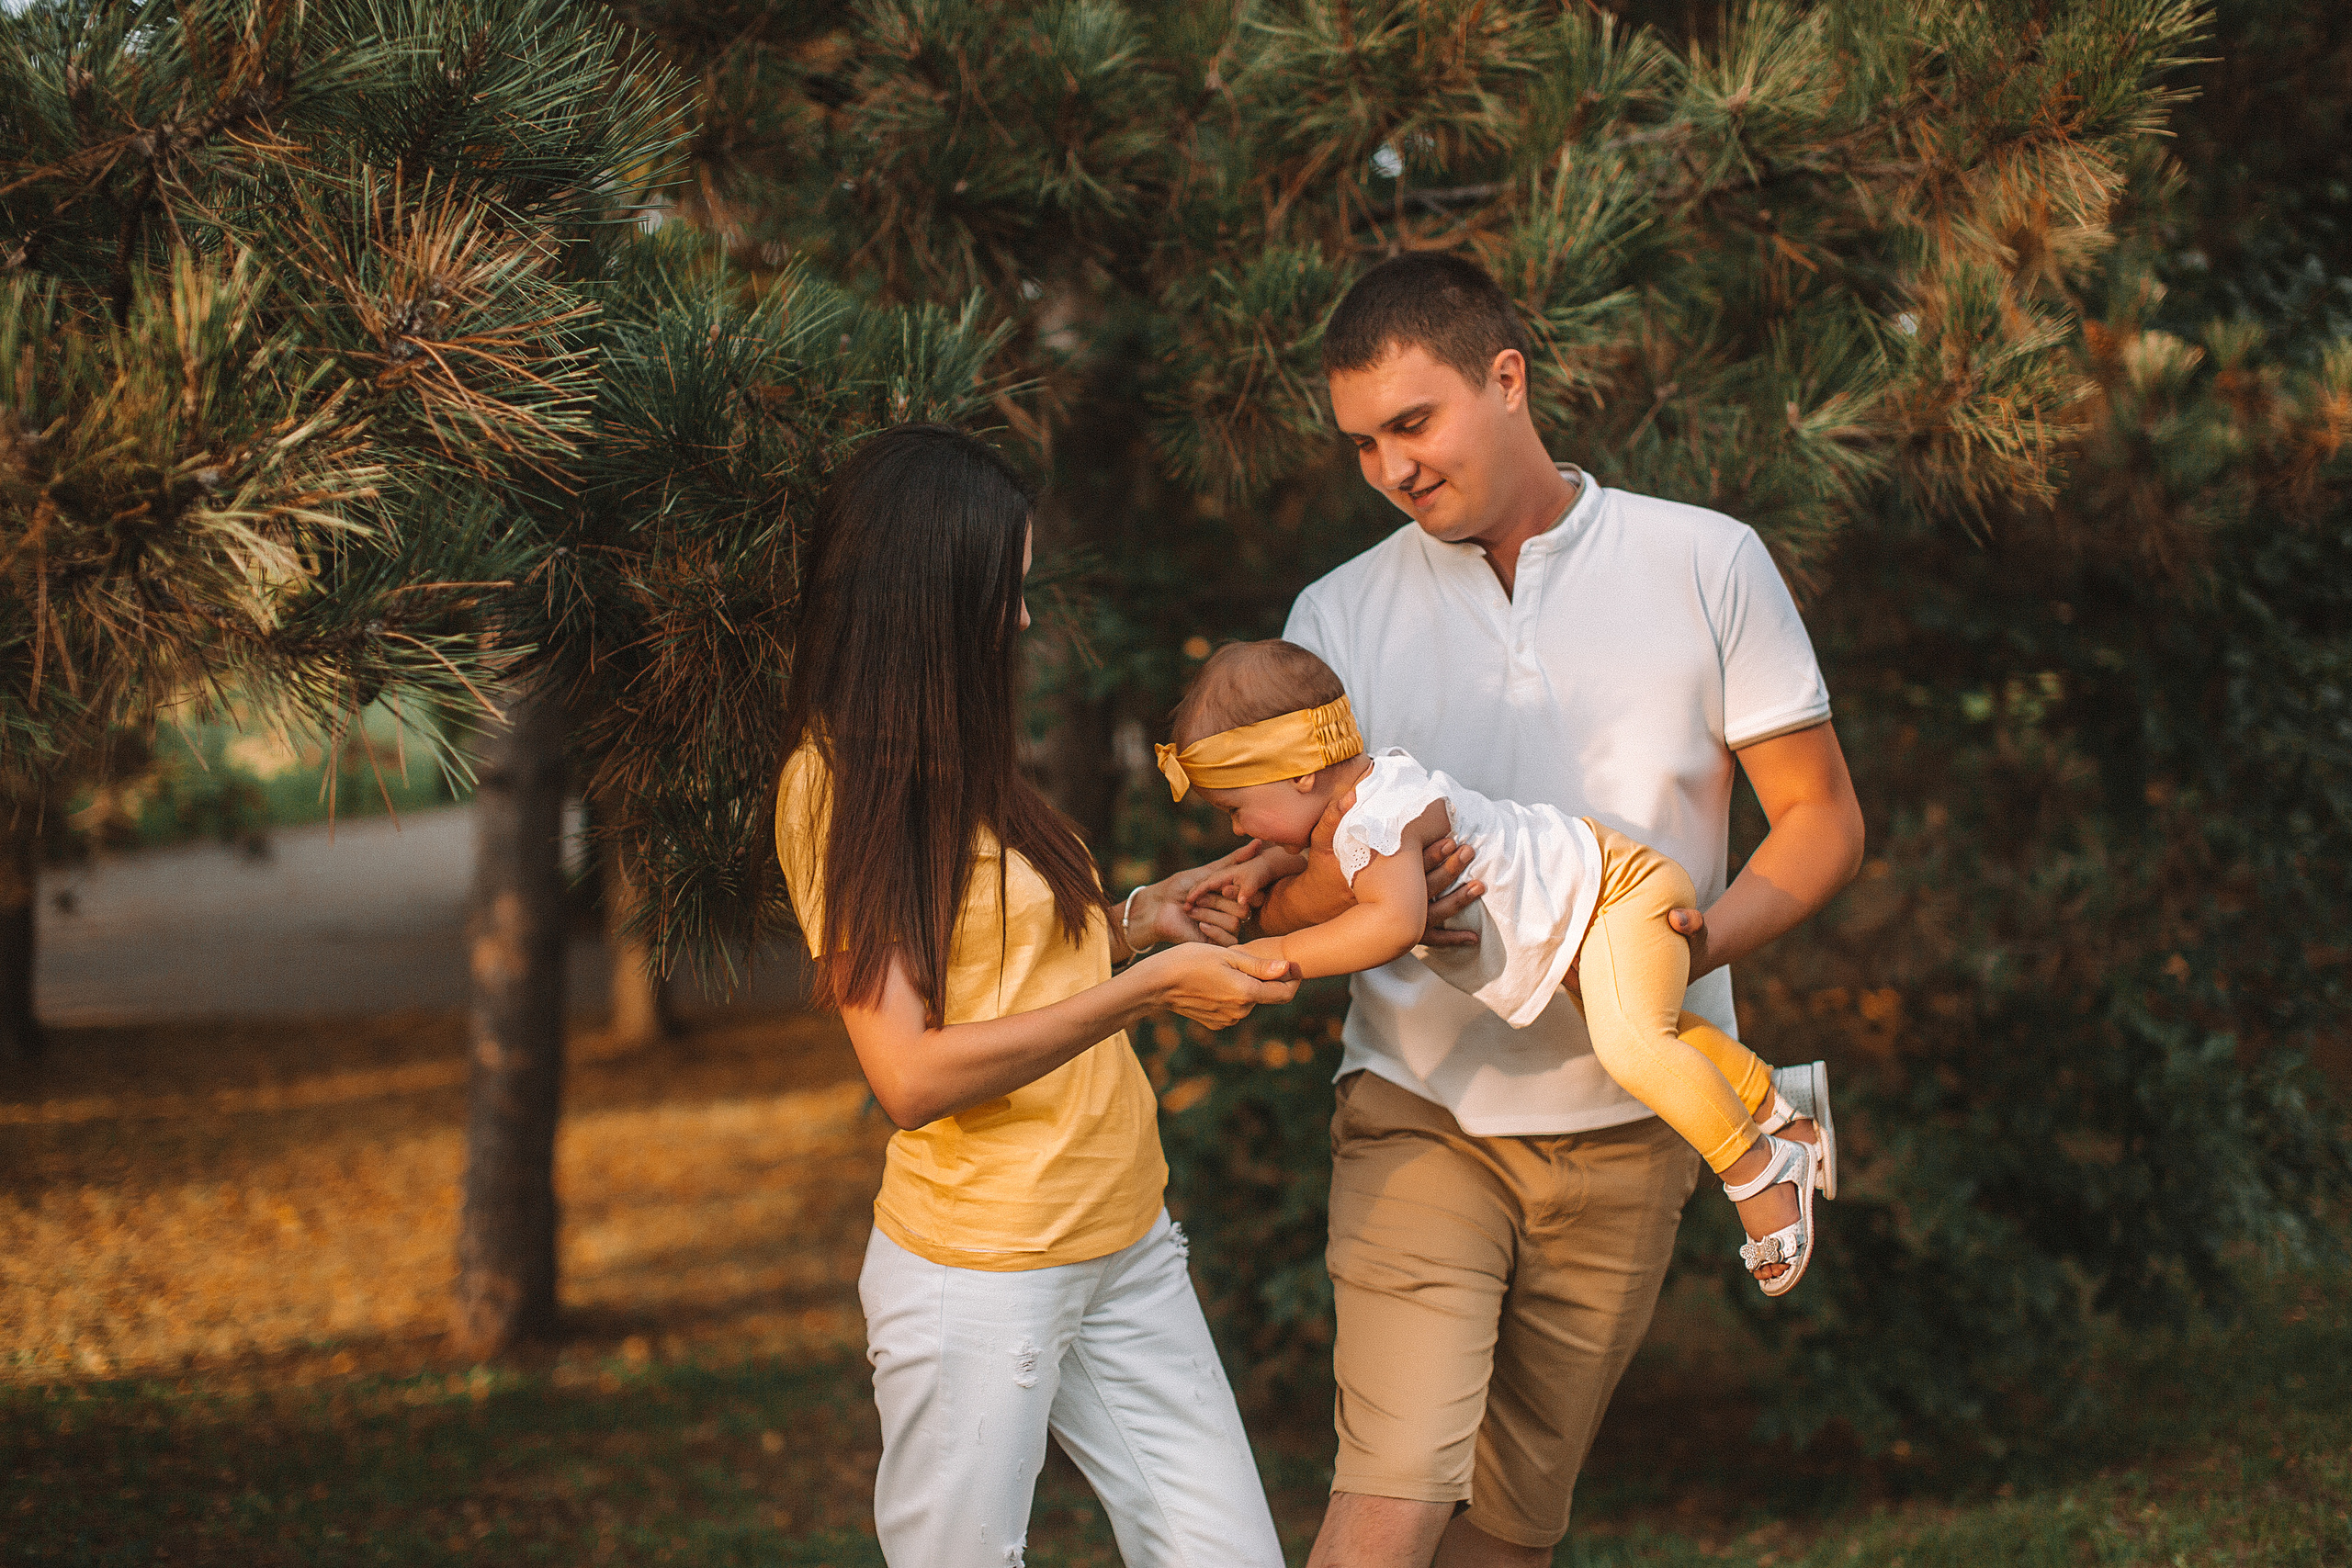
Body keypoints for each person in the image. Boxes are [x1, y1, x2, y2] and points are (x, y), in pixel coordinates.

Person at [1257, 254, 1866, 1568]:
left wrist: (1690, 945)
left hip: (1638, 1127)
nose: (1391, 469)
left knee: (1511, 1530)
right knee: (1393, 1493)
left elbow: (1820, 817)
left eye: (1412, 424)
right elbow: (1297, 879)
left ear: (1507, 378)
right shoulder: (1335, 616)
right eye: (1361, 444)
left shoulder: (1705, 560)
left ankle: (1762, 1119)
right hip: (1421, 1110)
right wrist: (1382, 890)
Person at [772, 423, 1299, 1568]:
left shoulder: (957, 757)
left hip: (1124, 1235)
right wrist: (1144, 992)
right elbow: (909, 1073)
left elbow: (999, 962)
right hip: (982, 1267)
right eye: (1000, 591)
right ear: (927, 597)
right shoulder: (837, 786)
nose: (1016, 619)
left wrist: (1138, 920)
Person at [1160, 637, 1837, 1294]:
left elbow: (1392, 923)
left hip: (1618, 893)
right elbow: (1316, 851)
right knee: (1646, 1030)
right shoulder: (1361, 796)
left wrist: (1276, 953)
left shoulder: (1382, 816)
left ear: (1301, 773)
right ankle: (1778, 1100)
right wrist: (1265, 869)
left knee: (1633, 1046)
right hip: (1601, 898)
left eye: (1237, 808)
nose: (1236, 829)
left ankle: (1759, 1168)